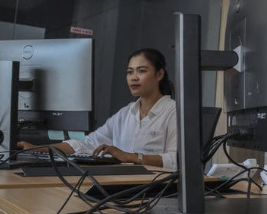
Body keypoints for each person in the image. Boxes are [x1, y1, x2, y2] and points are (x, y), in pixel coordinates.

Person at [18, 48, 177, 169]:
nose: (134, 77)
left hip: (157, 190)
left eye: (141, 71)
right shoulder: (126, 113)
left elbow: (176, 159)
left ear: (159, 74)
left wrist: (132, 157)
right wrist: (38, 149)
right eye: (130, 72)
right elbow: (87, 144)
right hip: (124, 184)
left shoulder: (174, 112)